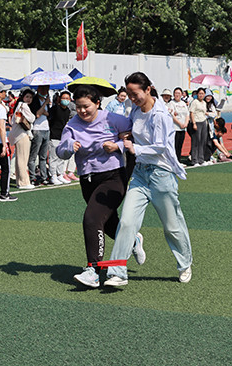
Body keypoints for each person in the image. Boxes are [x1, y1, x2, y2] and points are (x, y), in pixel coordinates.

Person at [104, 72, 192, 287]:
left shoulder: (160, 114)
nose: (132, 98)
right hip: (140, 173)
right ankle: (117, 271)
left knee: (172, 226)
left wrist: (135, 148)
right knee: (126, 222)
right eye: (129, 94)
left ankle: (185, 264)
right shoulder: (135, 110)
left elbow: (160, 146)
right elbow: (132, 129)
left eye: (135, 94)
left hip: (162, 175)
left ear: (148, 89)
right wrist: (125, 136)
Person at [56, 84, 136, 288]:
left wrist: (117, 145)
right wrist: (69, 147)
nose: (82, 111)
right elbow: (60, 151)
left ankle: (93, 270)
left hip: (113, 177)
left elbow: (134, 136)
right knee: (108, 223)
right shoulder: (72, 125)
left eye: (86, 106)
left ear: (97, 103)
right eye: (78, 107)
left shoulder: (113, 119)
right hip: (87, 179)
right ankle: (133, 241)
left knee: (91, 219)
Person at [8, 89, 36, 189]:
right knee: (23, 159)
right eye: (27, 96)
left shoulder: (19, 105)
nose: (29, 99)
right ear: (23, 97)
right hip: (22, 134)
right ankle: (24, 182)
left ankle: (20, 181)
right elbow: (32, 118)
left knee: (20, 158)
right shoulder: (24, 105)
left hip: (18, 135)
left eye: (30, 97)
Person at [48, 90, 72, 185]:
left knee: (61, 157)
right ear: (59, 99)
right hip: (54, 135)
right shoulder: (55, 109)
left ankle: (60, 174)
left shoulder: (68, 111)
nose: (65, 100)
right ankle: (53, 175)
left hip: (63, 136)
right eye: (63, 98)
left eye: (67, 98)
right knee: (53, 157)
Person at [28, 85, 51, 185]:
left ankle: (44, 177)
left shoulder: (45, 101)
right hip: (37, 129)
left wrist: (44, 110)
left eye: (47, 89)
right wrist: (45, 104)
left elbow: (48, 114)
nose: (45, 91)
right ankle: (32, 177)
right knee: (33, 155)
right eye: (43, 89)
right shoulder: (35, 100)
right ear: (39, 89)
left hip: (46, 129)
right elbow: (37, 114)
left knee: (43, 156)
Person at [188, 87, 208, 166]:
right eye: (200, 93)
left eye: (202, 94)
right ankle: (194, 160)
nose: (201, 95)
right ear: (197, 94)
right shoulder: (194, 102)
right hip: (196, 122)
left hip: (203, 122)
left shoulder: (204, 103)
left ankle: (201, 159)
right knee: (196, 142)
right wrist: (194, 123)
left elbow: (204, 112)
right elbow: (191, 113)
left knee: (202, 141)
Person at [169, 87, 189, 163]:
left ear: (181, 94)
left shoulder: (183, 103)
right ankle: (173, 162)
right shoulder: (172, 103)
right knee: (175, 145)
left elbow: (187, 114)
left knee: (180, 145)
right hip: (175, 128)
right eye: (176, 93)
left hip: (183, 128)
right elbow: (172, 115)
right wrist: (180, 124)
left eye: (179, 93)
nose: (177, 95)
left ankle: (178, 161)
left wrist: (186, 123)